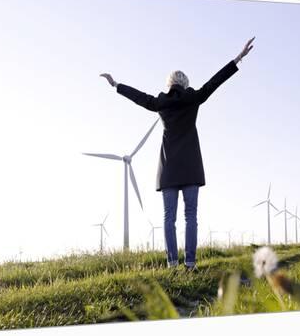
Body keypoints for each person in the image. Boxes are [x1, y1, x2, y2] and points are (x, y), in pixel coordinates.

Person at [100, 37, 255, 270]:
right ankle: (190, 263)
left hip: (169, 168)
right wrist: (238, 59)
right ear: (185, 83)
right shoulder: (194, 98)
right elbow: (214, 82)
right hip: (191, 166)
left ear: (169, 84)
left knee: (168, 218)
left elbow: (140, 97)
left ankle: (172, 263)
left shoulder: (160, 103)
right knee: (191, 216)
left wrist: (116, 85)